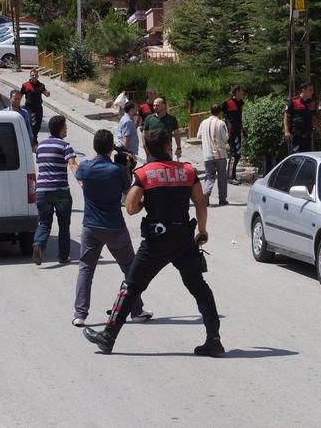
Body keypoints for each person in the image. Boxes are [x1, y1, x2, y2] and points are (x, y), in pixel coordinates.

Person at [82, 129, 224, 357]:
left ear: (147, 149)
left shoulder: (145, 173)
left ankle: (108, 337)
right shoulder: (187, 171)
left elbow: (130, 208)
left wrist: (145, 200)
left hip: (155, 242)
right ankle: (214, 340)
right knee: (199, 287)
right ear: (168, 146)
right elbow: (200, 203)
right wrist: (202, 230)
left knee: (130, 287)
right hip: (183, 239)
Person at [73, 129, 153, 327]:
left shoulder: (85, 167)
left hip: (91, 226)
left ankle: (80, 314)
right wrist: (126, 167)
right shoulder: (117, 171)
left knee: (86, 269)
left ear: (94, 146)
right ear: (111, 148)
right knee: (130, 268)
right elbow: (129, 193)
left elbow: (78, 173)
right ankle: (136, 310)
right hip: (114, 226)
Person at [33, 116, 78, 265]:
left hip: (42, 191)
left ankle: (39, 244)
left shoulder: (40, 146)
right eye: (65, 127)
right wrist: (83, 181)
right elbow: (73, 165)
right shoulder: (65, 146)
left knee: (44, 222)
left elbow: (41, 162)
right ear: (60, 129)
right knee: (64, 225)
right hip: (60, 191)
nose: (67, 130)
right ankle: (63, 257)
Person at [197, 104, 229, 206]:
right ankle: (222, 199)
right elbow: (225, 138)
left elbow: (199, 136)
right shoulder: (221, 123)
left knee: (209, 176)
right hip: (220, 154)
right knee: (222, 178)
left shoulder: (203, 123)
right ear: (220, 112)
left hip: (207, 155)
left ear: (210, 111)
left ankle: (206, 192)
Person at [283, 82, 317, 154]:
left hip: (307, 137)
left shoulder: (312, 103)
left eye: (312, 90)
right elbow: (286, 117)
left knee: (307, 160)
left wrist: (320, 129)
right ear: (303, 90)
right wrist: (286, 131)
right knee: (295, 160)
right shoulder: (293, 102)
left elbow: (313, 118)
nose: (312, 92)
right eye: (310, 90)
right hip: (295, 137)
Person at [221, 86, 245, 181]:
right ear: (237, 92)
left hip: (238, 131)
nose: (243, 93)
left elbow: (239, 118)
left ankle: (232, 174)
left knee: (237, 154)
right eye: (241, 91)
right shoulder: (227, 103)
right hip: (232, 132)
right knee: (234, 154)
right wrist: (227, 124)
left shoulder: (240, 103)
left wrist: (243, 130)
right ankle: (230, 176)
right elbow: (219, 113)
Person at [20, 70, 51, 144]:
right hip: (29, 107)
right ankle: (30, 137)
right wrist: (17, 105)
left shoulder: (41, 85)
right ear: (30, 76)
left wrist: (47, 93)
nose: (34, 77)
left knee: (38, 123)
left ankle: (35, 137)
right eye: (32, 75)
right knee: (30, 123)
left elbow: (45, 93)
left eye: (35, 75)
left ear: (38, 76)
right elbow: (20, 95)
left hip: (38, 107)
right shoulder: (25, 85)